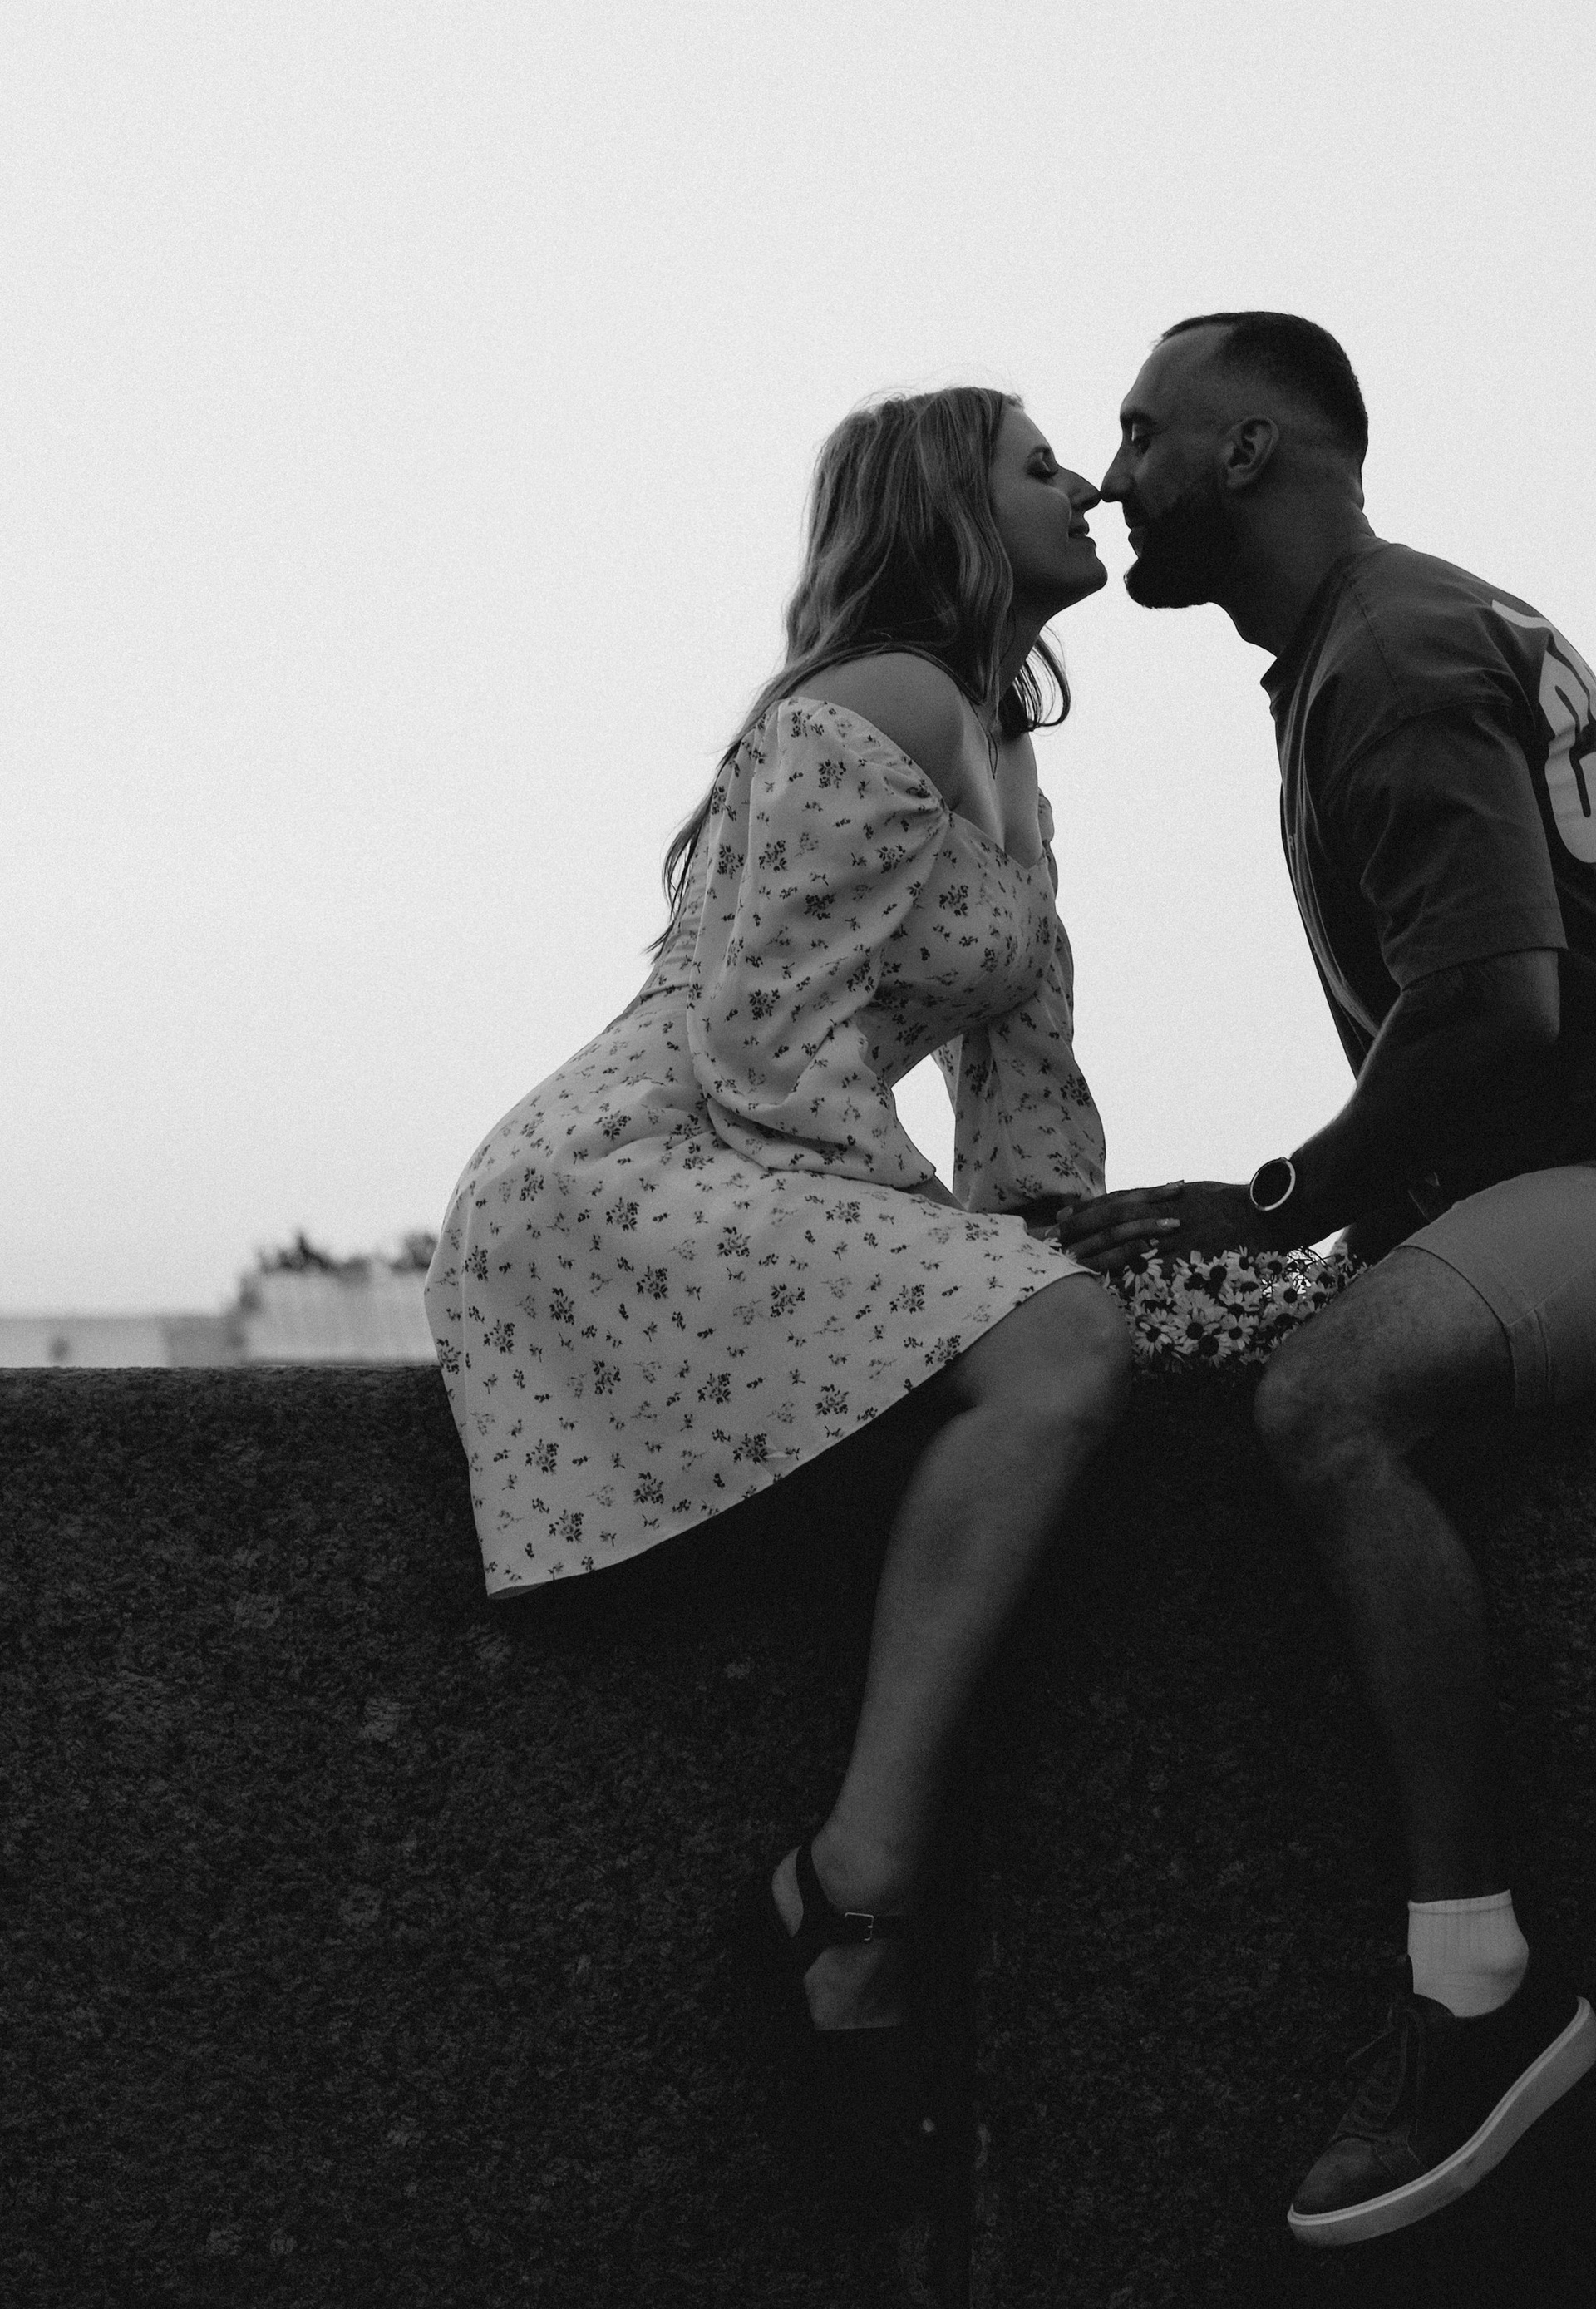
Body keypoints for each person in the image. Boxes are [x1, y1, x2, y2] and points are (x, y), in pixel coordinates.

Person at [1057, 310, 1596, 2252]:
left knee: (1327, 1401)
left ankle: (1476, 1995)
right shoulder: (1385, 627)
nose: (1108, 473)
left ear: (1250, 452)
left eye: (1143, 431)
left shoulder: (1387, 655)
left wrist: (1274, 1206)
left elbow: (1493, 1007)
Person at [426, 385, 1171, 2212]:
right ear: (946, 510)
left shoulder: (1005, 754)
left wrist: (1057, 1236)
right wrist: (975, 1281)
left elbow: (1018, 1097)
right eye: (1039, 464)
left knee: (1077, 1321)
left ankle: (849, 1893)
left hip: (757, 1159)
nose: (1084, 488)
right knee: (1050, 1346)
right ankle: (852, 1889)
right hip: (630, 1169)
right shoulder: (884, 703)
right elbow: (766, 1038)